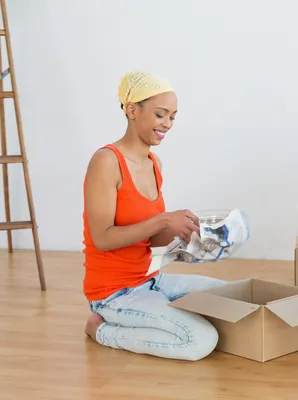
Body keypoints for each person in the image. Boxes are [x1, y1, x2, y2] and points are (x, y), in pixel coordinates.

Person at [81, 70, 227, 361]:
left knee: (234, 296)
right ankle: (101, 330)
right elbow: (102, 239)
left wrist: (186, 234)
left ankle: (152, 317)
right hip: (114, 292)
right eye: (161, 115)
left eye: (173, 117)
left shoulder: (153, 162)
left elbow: (151, 238)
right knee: (201, 339)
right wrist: (163, 219)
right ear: (133, 110)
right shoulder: (106, 161)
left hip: (152, 280)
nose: (168, 124)